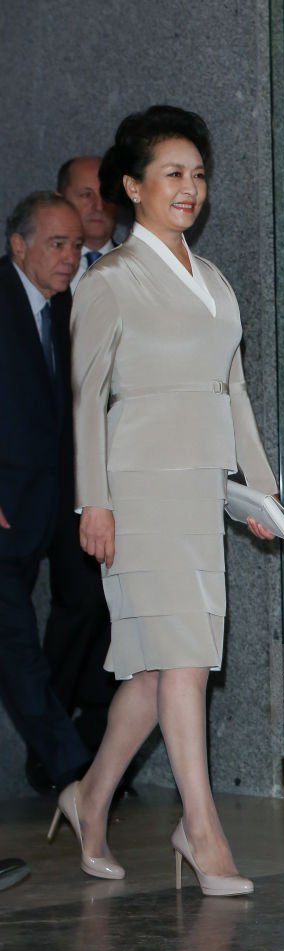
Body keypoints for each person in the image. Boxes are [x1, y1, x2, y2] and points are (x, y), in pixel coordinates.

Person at [48, 106, 278, 894]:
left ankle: (87, 797)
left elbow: (233, 387)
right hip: (137, 492)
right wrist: (93, 504)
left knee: (150, 679)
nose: (190, 188)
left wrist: (260, 487)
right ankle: (201, 829)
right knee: (182, 663)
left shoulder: (211, 280)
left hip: (200, 490)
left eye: (198, 174)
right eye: (172, 174)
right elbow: (84, 402)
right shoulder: (110, 280)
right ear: (132, 186)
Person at [0, 192, 92, 789]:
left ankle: (69, 770)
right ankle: (73, 773)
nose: (70, 257)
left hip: (49, 509)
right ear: (19, 245)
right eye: (57, 244)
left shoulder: (62, 312)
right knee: (16, 646)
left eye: (77, 246)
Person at [57, 157, 119, 289]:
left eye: (105, 195)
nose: (99, 206)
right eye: (87, 195)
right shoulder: (39, 268)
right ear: (61, 202)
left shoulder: (141, 269)